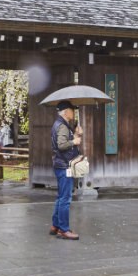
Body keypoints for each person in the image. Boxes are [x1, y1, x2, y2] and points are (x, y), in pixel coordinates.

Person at [50, 100, 81, 240]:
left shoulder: (60, 124)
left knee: (60, 196)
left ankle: (55, 225)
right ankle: (63, 229)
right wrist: (74, 141)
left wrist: (76, 134)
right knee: (65, 198)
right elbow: (62, 145)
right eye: (72, 110)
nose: (73, 113)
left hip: (60, 164)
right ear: (66, 111)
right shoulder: (62, 126)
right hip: (64, 165)